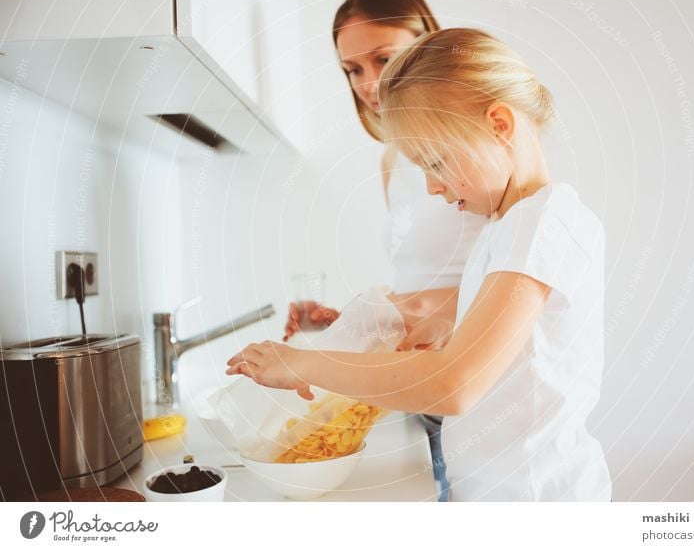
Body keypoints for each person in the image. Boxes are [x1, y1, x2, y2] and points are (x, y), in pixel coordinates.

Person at [228, 28, 612, 501]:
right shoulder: (509, 224)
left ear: (499, 124)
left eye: (436, 161)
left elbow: (456, 384)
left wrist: (307, 363)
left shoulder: (540, 224)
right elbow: (499, 317)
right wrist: (421, 316)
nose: (432, 187)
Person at [281, 0, 487, 502]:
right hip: (423, 380)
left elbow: (509, 282)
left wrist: (380, 317)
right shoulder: (393, 163)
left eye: (383, 58)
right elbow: (424, 275)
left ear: (427, 43)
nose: (370, 83)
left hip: (476, 383)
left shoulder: (474, 153)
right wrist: (352, 322)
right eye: (353, 70)